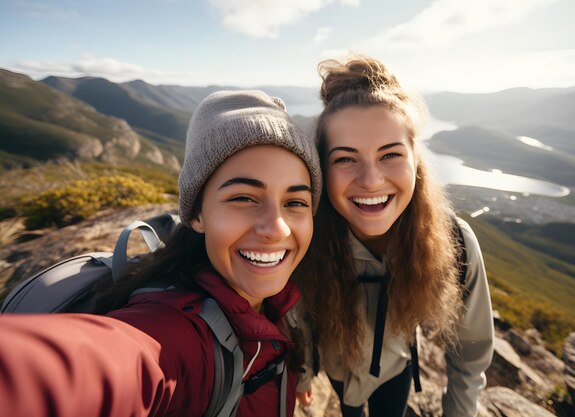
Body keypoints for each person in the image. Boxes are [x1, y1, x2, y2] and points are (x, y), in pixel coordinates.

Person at [0, 90, 322, 417]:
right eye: (243, 198)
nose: (277, 228)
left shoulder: (283, 298)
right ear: (197, 216)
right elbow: (93, 368)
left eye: (295, 202)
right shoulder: (172, 333)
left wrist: (299, 379)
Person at [295, 56, 494, 417]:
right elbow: (300, 315)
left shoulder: (454, 242)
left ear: (415, 161)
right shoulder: (307, 237)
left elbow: (471, 350)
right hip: (340, 370)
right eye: (345, 159)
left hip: (397, 370)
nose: (371, 180)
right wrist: (303, 375)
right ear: (322, 168)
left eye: (390, 155)